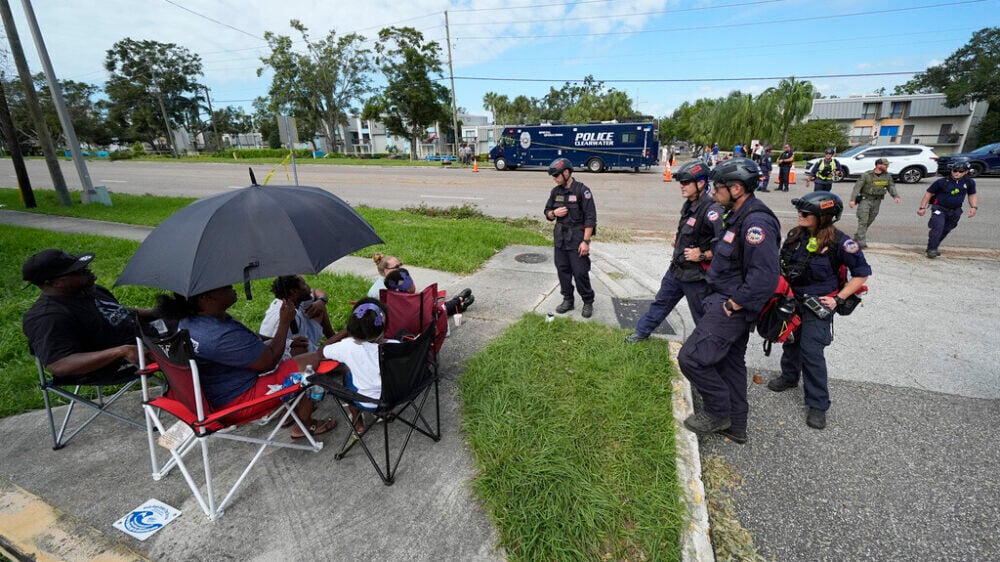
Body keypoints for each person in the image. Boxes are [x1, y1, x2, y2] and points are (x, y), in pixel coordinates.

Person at [677, 158, 780, 444]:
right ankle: (736, 426)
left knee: (691, 358)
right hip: (724, 300)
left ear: (736, 188)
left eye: (717, 186)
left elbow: (764, 277)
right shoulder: (735, 214)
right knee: (730, 364)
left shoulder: (756, 222)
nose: (712, 191)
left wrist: (734, 304)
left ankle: (718, 411)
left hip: (732, 306)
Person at [156, 286, 335, 439]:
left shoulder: (194, 320)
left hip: (215, 390)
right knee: (315, 361)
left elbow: (250, 340)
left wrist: (285, 342)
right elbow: (269, 361)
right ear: (206, 297)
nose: (231, 284)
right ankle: (304, 424)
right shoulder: (217, 335)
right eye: (224, 286)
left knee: (299, 351)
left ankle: (289, 414)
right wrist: (284, 323)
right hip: (238, 400)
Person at [766, 192, 871, 430]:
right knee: (791, 341)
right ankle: (790, 376)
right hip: (792, 300)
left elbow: (862, 274)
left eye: (806, 213)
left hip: (818, 304)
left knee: (811, 352)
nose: (799, 215)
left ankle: (818, 404)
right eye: (800, 211)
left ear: (824, 217)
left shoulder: (842, 242)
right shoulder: (795, 235)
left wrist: (837, 299)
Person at [626, 161, 723, 342]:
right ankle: (641, 333)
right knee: (661, 303)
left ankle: (710, 348)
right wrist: (678, 239)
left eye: (686, 182)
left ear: (701, 183)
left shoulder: (712, 210)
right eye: (681, 182)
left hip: (696, 277)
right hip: (677, 270)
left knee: (702, 317)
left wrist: (702, 255)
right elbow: (687, 230)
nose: (682, 186)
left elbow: (724, 248)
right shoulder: (689, 205)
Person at [22, 249, 150, 382]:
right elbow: (61, 365)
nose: (90, 273)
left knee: (173, 322)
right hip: (110, 366)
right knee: (173, 352)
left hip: (142, 339)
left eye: (85, 267)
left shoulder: (87, 290)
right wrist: (121, 352)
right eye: (80, 271)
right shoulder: (47, 317)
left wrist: (155, 312)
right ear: (57, 283)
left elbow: (113, 312)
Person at [318, 298, 391, 432]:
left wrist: (344, 332)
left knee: (347, 372)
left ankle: (358, 422)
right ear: (384, 327)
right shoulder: (395, 346)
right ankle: (384, 413)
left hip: (365, 401)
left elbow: (321, 351)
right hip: (395, 396)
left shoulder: (346, 347)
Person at [543, 157, 597, 318]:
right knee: (563, 271)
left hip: (577, 237)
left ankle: (588, 301)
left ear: (566, 172)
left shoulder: (582, 191)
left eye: (556, 175)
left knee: (580, 272)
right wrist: (554, 213)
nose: (554, 179)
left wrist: (586, 241)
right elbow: (547, 212)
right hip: (560, 237)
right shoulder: (555, 192)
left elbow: (590, 218)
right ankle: (568, 299)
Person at [260, 275, 339, 356]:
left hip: (302, 336)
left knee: (319, 307)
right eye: (304, 284)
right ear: (294, 292)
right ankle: (336, 342)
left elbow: (316, 291)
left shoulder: (290, 300)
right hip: (290, 353)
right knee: (343, 334)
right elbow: (277, 348)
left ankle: (333, 338)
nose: (308, 286)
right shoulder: (284, 316)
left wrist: (322, 300)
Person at [917, 161, 978, 258]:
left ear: (966, 172)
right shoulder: (941, 182)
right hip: (939, 208)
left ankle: (933, 246)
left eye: (960, 171)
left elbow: (972, 194)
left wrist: (974, 207)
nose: (957, 173)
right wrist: (922, 208)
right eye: (955, 170)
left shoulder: (969, 182)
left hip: (955, 211)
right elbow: (928, 194)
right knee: (938, 227)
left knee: (946, 230)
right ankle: (932, 249)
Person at [849, 158, 900, 249]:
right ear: (878, 165)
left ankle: (858, 237)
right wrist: (852, 199)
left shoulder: (887, 176)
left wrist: (895, 196)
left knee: (870, 220)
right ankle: (860, 243)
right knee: (863, 221)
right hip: (865, 200)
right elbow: (857, 187)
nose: (887, 166)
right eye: (885, 165)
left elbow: (891, 186)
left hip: (877, 202)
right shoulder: (866, 175)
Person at [384, 268, 473, 316]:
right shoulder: (417, 300)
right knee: (441, 307)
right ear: (410, 288)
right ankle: (459, 300)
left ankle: (460, 306)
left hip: (406, 334)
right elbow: (434, 310)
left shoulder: (391, 303)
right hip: (425, 325)